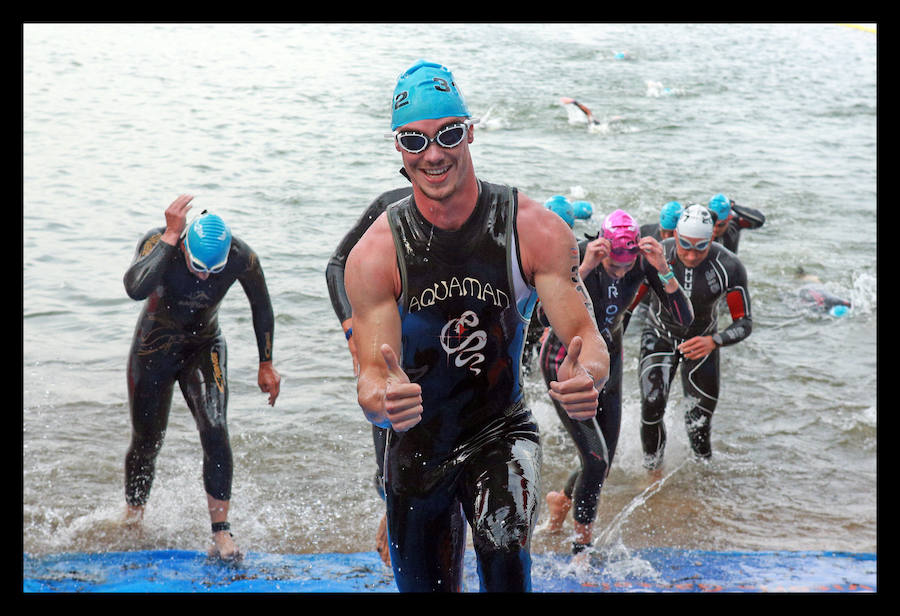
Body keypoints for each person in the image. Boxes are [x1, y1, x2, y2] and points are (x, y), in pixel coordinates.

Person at [344, 59, 610, 592]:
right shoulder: (375, 253)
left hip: (501, 429)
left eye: (447, 134)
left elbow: (589, 342)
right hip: (418, 443)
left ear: (469, 132)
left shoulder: (533, 229)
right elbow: (372, 377)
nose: (434, 154)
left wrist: (591, 378)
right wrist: (381, 400)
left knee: (504, 547)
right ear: (398, 148)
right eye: (415, 141)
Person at [122, 194, 281, 562]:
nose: (205, 276)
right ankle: (133, 519)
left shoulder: (241, 256)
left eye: (213, 270)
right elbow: (134, 288)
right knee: (147, 441)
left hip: (203, 346)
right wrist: (170, 238)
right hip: (153, 348)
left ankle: (221, 532)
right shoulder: (158, 242)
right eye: (197, 266)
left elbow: (262, 304)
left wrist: (266, 363)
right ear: (185, 246)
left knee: (214, 426)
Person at [541, 210, 693, 555]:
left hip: (608, 363)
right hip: (564, 363)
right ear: (603, 247)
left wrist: (663, 269)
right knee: (595, 460)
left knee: (601, 465)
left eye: (628, 268)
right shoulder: (578, 254)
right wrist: (584, 271)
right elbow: (540, 315)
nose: (622, 273)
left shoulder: (641, 264)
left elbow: (685, 318)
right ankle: (581, 548)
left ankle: (561, 501)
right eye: (615, 267)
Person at [325, 185, 412, 567]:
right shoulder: (389, 206)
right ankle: (391, 511)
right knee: (388, 453)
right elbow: (336, 265)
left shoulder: (466, 212)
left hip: (439, 342)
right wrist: (351, 329)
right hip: (382, 337)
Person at [634, 204, 752, 470]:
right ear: (674, 235)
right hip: (660, 335)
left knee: (699, 421)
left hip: (703, 344)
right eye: (684, 245)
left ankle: (703, 476)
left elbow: (744, 322)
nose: (689, 255)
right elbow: (629, 307)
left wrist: (715, 341)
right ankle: (652, 473)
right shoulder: (657, 255)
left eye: (699, 248)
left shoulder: (729, 266)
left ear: (712, 239)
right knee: (651, 407)